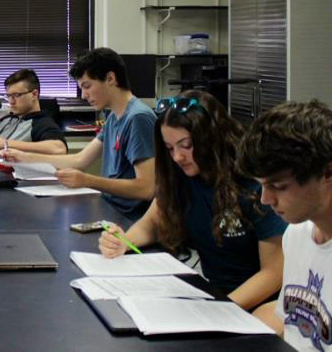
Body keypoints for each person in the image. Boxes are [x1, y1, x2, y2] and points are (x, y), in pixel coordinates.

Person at [98, 91, 285, 310]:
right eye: (169, 148)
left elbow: (273, 273)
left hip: (259, 303)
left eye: (186, 145)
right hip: (214, 293)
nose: (177, 156)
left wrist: (224, 309)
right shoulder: (181, 175)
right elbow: (152, 223)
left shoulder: (253, 185)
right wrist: (124, 241)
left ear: (211, 138)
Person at [1, 48, 155, 218]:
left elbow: (145, 189)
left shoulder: (138, 118)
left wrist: (88, 181)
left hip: (128, 218)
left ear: (110, 78)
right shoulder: (114, 118)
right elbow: (79, 160)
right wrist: (23, 157)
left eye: (87, 86)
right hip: (110, 207)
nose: (83, 95)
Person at [239, 100, 332, 349]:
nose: (265, 199)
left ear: (327, 173)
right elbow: (289, 319)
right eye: (262, 185)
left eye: (278, 186)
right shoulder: (296, 234)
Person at [0, 69, 67, 155]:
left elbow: (59, 149)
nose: (11, 101)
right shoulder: (4, 120)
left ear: (34, 94)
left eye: (16, 95)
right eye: (8, 96)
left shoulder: (41, 124)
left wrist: (6, 144)